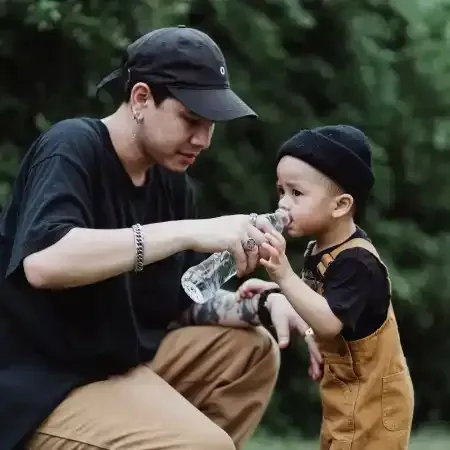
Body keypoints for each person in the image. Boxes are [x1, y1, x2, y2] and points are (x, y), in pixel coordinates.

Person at [0, 26, 310, 450]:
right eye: (191, 119)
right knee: (203, 446)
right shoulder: (72, 146)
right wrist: (189, 232)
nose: (202, 140)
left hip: (115, 365)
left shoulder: (172, 184)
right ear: (142, 98)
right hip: (40, 382)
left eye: (211, 125)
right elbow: (43, 261)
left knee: (250, 350)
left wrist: (261, 303)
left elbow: (179, 304)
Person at [238, 125, 415, 449]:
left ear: (340, 205)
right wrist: (276, 294)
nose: (283, 204)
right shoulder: (319, 250)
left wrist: (285, 278)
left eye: (296, 193)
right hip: (345, 390)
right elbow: (318, 307)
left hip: (374, 402)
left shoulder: (357, 262)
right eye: (281, 191)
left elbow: (330, 321)